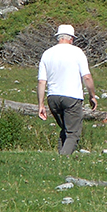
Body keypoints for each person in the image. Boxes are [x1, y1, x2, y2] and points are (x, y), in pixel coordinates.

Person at [37, 24, 98, 155]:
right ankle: (64, 159)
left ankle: (61, 157)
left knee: (65, 129)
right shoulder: (77, 52)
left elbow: (42, 81)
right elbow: (87, 77)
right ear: (71, 38)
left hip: (52, 97)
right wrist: (92, 95)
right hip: (71, 96)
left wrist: (41, 104)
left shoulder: (47, 53)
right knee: (73, 133)